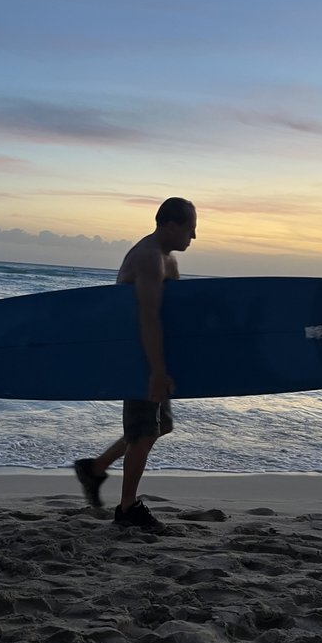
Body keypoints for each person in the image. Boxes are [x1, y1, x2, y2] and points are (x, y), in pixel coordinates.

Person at [74, 197, 197, 532]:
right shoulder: (149, 258)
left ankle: (95, 468)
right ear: (170, 225)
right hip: (139, 356)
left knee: (161, 426)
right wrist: (156, 371)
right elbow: (148, 318)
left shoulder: (167, 258)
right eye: (190, 228)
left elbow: (172, 313)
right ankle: (128, 507)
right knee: (144, 432)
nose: (194, 236)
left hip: (153, 354)